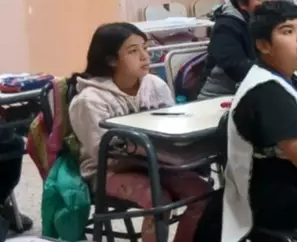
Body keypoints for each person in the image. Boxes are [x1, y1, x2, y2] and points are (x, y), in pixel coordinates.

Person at [69, 23, 211, 242]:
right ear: (112, 60)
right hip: (108, 171)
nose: (145, 56)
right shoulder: (89, 100)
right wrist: (152, 152)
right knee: (158, 200)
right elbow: (104, 155)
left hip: (157, 163)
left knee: (202, 193)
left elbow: (173, 126)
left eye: (145, 47)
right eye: (133, 51)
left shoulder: (154, 84)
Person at [223, 0, 297, 240]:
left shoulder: (289, 79)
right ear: (264, 45)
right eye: (287, 31)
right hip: (277, 199)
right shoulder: (267, 92)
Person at [199, 0, 281, 99]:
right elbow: (237, 67)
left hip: (262, 89)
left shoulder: (275, 22)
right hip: (221, 97)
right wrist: (280, 70)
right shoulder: (226, 26)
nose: (270, 3)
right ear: (242, 3)